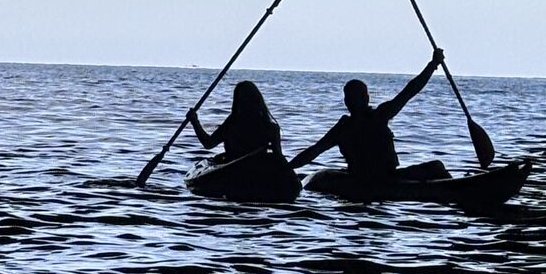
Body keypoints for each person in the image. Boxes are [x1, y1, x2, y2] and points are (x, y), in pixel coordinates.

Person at [289, 51, 447, 181]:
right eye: (353, 97)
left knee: (436, 166)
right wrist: (287, 168)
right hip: (368, 179)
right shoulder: (347, 126)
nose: (354, 101)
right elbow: (313, 152)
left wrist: (432, 65)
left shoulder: (379, 115)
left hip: (388, 177)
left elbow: (410, 90)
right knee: (437, 167)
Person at [188, 79, 284, 161]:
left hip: (238, 170)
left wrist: (195, 122)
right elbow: (279, 157)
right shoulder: (271, 128)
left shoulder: (231, 125)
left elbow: (208, 144)